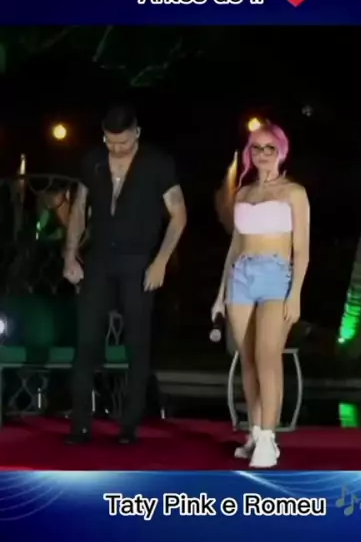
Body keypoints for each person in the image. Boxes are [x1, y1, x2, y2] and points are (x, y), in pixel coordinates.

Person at [63, 104, 187, 445]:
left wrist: (161, 261)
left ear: (137, 133)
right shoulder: (93, 160)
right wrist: (70, 254)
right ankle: (80, 424)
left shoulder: (157, 163)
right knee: (86, 340)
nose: (117, 148)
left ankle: (129, 424)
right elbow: (79, 209)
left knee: (137, 342)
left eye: (124, 142)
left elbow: (179, 214)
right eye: (111, 142)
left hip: (138, 260)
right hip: (99, 258)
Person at [211, 122, 310, 468]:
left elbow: (302, 250)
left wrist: (296, 294)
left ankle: (269, 438)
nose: (263, 154)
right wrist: (220, 293)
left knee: (268, 356)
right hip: (242, 276)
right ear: (249, 153)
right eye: (257, 148)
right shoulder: (243, 194)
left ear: (281, 151)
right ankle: (254, 432)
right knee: (248, 360)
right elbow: (235, 246)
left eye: (270, 148)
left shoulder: (294, 192)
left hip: (276, 275)